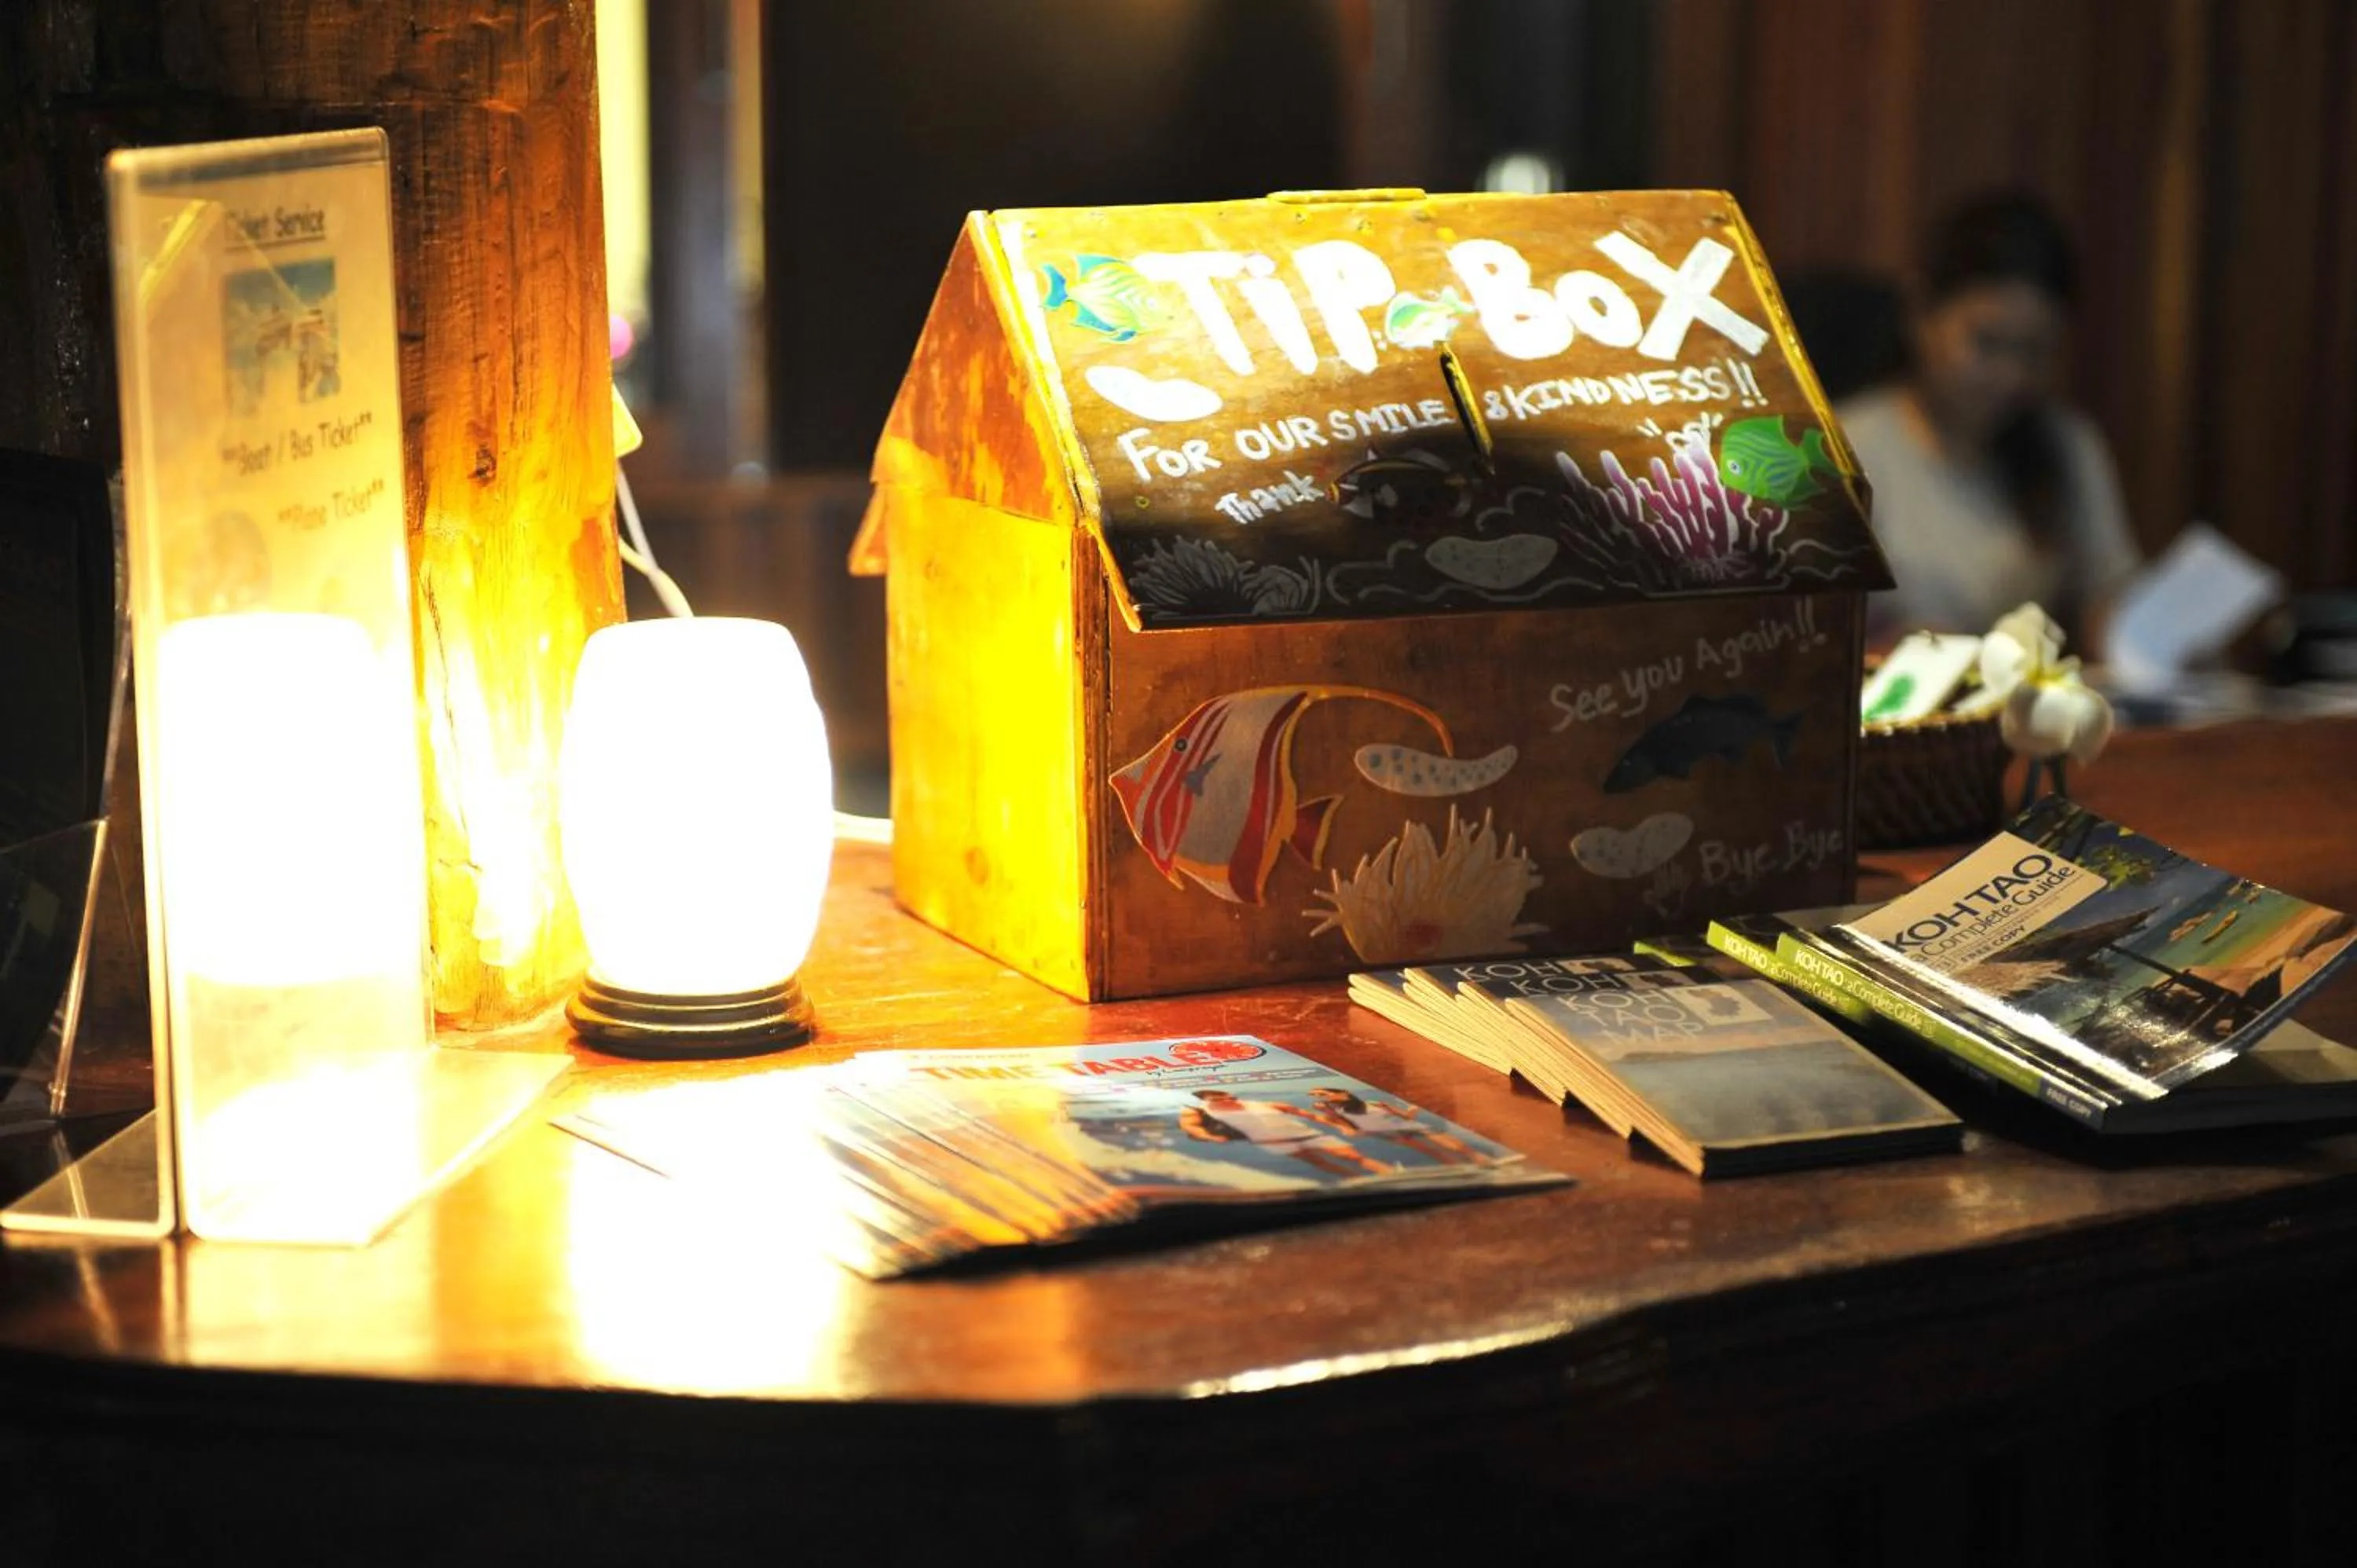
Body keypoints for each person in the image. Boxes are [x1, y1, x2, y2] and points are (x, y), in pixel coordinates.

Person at [1836, 193, 2140, 645]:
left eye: (2034, 351)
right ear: (1921, 314)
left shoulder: (2064, 442)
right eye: (1988, 343)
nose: (2010, 376)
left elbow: (2112, 591)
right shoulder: (1844, 448)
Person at [1178, 1088, 1393, 1177]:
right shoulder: (1199, 1112)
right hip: (1271, 1141)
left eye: (1225, 1096)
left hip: (1306, 1134)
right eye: (1215, 1098)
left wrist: (1341, 1126)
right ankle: (1356, 1180)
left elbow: (1309, 1115)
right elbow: (1191, 1127)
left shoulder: (1265, 1104)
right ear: (1207, 1100)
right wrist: (1211, 1137)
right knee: (1317, 1162)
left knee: (1352, 1155)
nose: (1223, 1100)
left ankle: (1389, 1175)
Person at [1305, 1087, 1486, 1166]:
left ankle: (1477, 1158)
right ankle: (1460, 1166)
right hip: (1387, 1132)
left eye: (1321, 1095)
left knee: (1441, 1140)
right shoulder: (1340, 1114)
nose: (1321, 1099)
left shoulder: (1371, 1102)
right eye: (1318, 1098)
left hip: (1401, 1124)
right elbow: (1352, 1129)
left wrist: (1411, 1112)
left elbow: (1403, 1115)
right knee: (1428, 1149)